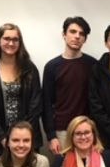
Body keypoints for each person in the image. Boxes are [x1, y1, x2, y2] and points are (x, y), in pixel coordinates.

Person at [0, 23, 42, 157]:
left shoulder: (29, 69)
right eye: (7, 39)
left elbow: (35, 104)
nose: (11, 43)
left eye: (15, 39)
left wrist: (23, 137)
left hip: (27, 139)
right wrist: (2, 137)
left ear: (20, 43)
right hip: (0, 140)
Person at [42, 16, 97, 155]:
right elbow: (46, 103)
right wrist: (51, 135)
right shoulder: (52, 66)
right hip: (62, 131)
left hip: (87, 131)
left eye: (81, 33)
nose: (77, 36)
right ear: (64, 34)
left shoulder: (93, 65)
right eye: (73, 32)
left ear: (85, 39)